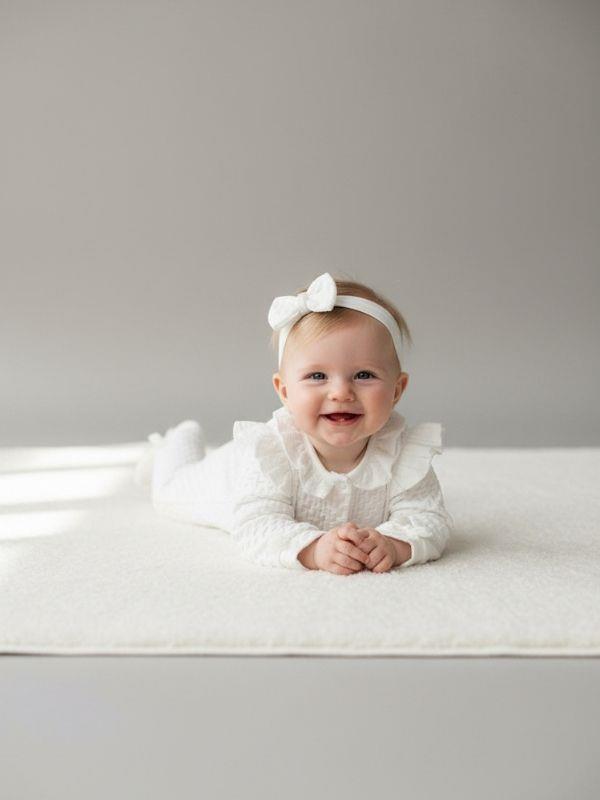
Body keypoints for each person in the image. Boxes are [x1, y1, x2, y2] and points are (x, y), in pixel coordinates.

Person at [134, 271, 454, 575]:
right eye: (317, 376)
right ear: (284, 392)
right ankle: (175, 441)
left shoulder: (404, 452)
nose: (341, 392)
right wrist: (314, 549)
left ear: (397, 390)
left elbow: (428, 518)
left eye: (363, 375)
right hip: (226, 480)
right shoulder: (273, 452)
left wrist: (394, 545)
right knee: (169, 492)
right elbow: (256, 527)